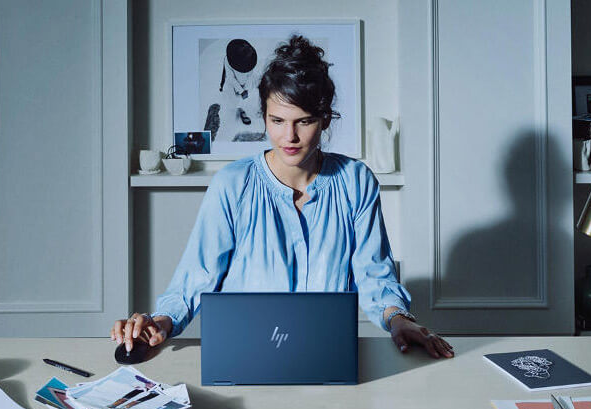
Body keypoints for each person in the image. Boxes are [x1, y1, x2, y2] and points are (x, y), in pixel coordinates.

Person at [111, 35, 454, 359]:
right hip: (245, 354)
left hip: (325, 354)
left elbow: (374, 274)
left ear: (324, 119)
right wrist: (161, 322)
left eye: (304, 121)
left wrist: (398, 319)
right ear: (264, 116)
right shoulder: (231, 184)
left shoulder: (355, 181)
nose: (289, 136)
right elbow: (197, 275)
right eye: (277, 120)